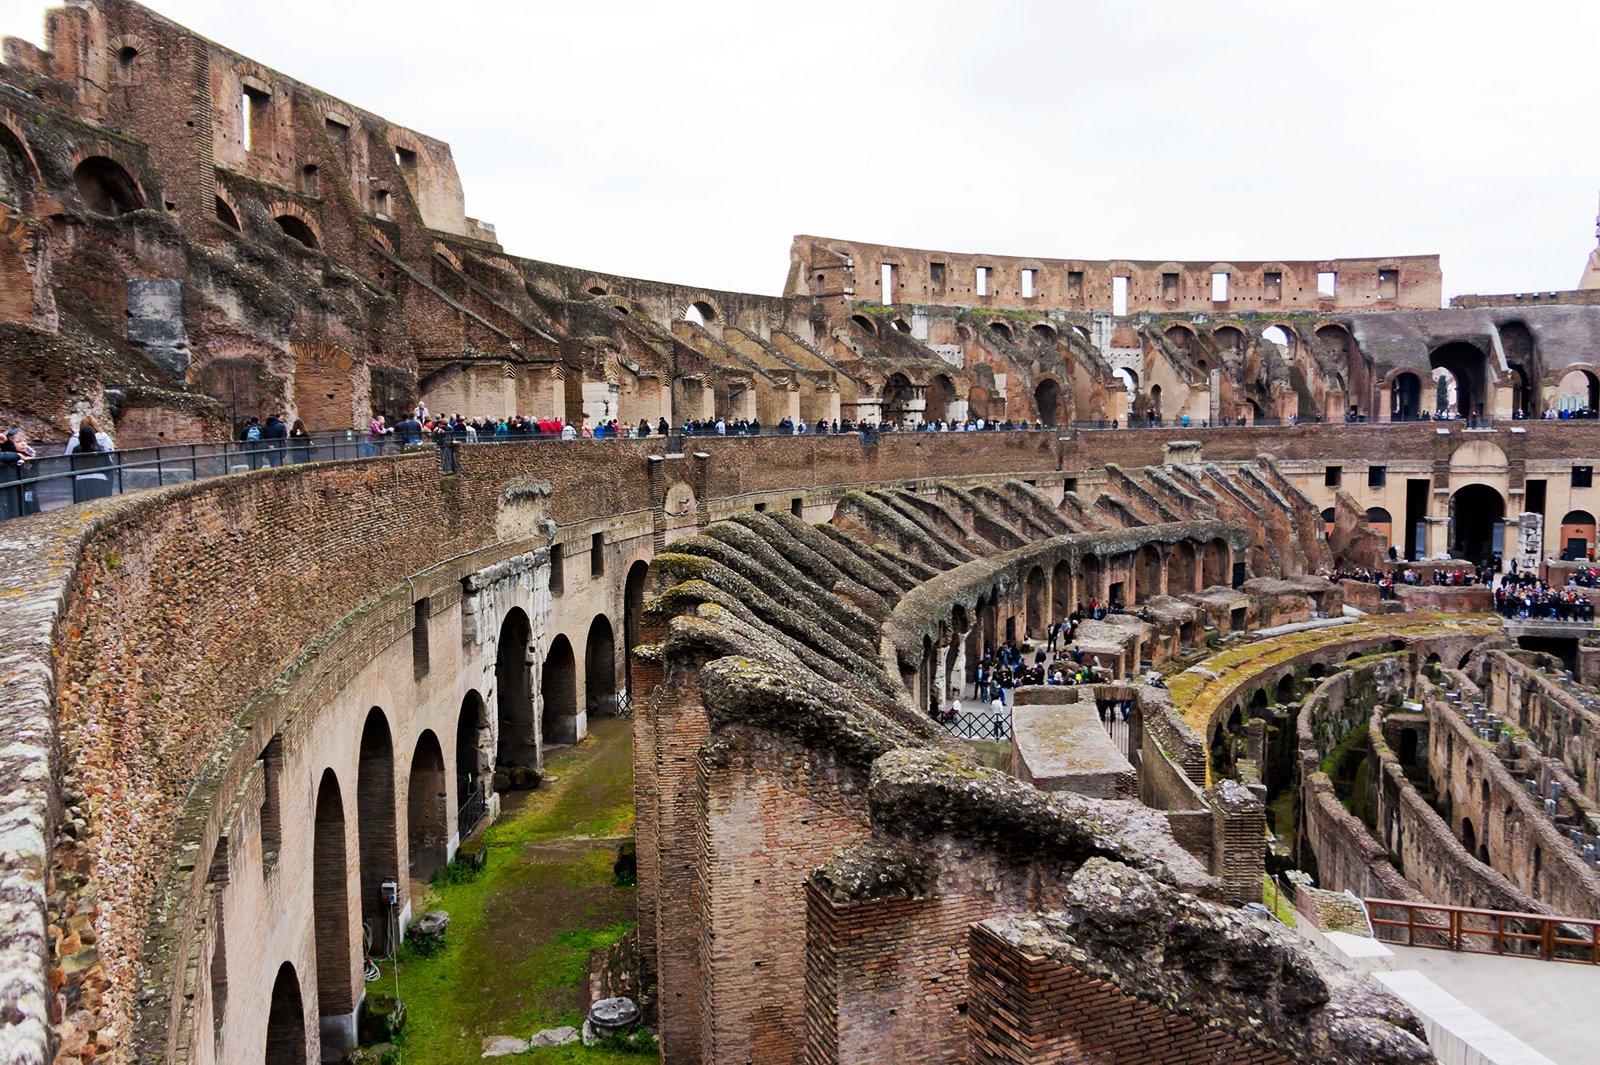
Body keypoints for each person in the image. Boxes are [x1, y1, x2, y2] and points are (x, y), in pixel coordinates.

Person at [65, 415, 116, 501]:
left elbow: (69, 457)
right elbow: (110, 458)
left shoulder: (76, 446)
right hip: (100, 479)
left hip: (80, 479)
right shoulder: (102, 445)